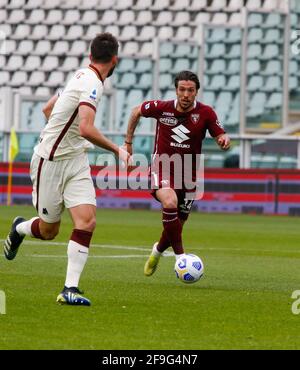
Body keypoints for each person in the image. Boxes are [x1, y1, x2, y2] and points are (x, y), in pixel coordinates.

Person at [3, 33, 129, 306]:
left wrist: (63, 134)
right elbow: (85, 127)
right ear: (115, 59)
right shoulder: (93, 83)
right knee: (49, 231)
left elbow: (49, 108)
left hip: (75, 159)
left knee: (87, 221)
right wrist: (117, 150)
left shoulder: (80, 75)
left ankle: (69, 289)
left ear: (90, 55)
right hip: (50, 162)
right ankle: (20, 228)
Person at [124, 70, 230, 276]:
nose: (186, 94)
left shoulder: (206, 113)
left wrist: (223, 140)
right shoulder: (162, 108)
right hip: (162, 167)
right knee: (169, 201)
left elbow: (221, 134)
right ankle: (181, 257)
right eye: (182, 89)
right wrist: (128, 143)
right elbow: (136, 111)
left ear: (196, 92)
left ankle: (157, 250)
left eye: (190, 90)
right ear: (176, 90)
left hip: (189, 174)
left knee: (177, 224)